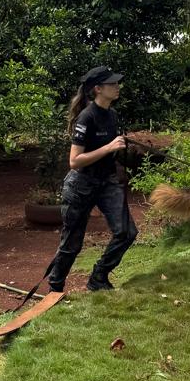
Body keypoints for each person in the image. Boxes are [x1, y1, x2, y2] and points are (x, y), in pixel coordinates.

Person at [46, 66, 138, 293]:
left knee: (127, 232)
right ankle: (55, 288)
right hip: (81, 185)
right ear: (97, 89)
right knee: (72, 244)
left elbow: (110, 149)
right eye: (112, 84)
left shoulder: (112, 115)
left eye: (117, 83)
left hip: (106, 182)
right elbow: (74, 161)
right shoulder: (86, 117)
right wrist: (108, 147)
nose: (117, 87)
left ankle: (98, 277)